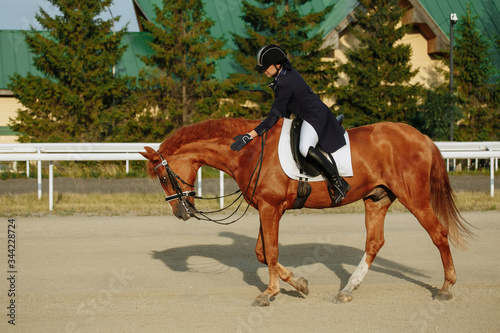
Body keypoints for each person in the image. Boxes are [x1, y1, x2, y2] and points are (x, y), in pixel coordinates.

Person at [230, 44, 350, 203]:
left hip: (315, 117)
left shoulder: (285, 82)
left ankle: (338, 183)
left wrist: (249, 136)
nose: (264, 70)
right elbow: (285, 109)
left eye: (266, 67)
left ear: (277, 64)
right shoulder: (284, 75)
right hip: (308, 115)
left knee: (305, 148)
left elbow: (273, 116)